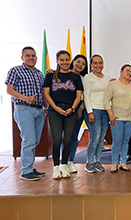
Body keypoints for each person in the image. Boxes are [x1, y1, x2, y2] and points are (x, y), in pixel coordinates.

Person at [5, 46, 45, 181]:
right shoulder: (15, 71)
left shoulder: (40, 73)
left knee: (35, 140)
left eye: (33, 55)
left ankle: (30, 166)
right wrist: (26, 98)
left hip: (39, 110)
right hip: (24, 109)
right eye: (28, 55)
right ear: (22, 58)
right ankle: (26, 171)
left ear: (36, 58)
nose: (31, 58)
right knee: (28, 140)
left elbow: (43, 92)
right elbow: (9, 90)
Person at [43, 50, 83, 179]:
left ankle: (64, 165)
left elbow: (79, 95)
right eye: (62, 60)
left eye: (67, 60)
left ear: (70, 60)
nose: (65, 62)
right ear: (57, 61)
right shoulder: (50, 75)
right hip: (55, 111)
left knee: (67, 140)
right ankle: (56, 168)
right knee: (57, 140)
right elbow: (46, 94)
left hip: (71, 111)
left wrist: (72, 108)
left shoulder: (75, 77)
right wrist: (55, 108)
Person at [104, 64, 131, 173]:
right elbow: (106, 100)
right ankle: (115, 163)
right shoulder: (113, 84)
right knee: (117, 141)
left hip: (130, 118)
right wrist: (111, 114)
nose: (129, 73)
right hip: (116, 117)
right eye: (127, 71)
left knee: (126, 141)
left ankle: (123, 163)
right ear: (121, 71)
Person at [83, 54, 111, 173]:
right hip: (93, 110)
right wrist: (90, 112)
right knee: (95, 137)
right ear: (91, 65)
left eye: (100, 62)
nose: (98, 65)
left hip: (105, 111)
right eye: (95, 63)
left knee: (101, 138)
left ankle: (97, 161)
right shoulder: (88, 77)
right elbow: (86, 96)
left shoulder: (108, 78)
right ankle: (89, 162)